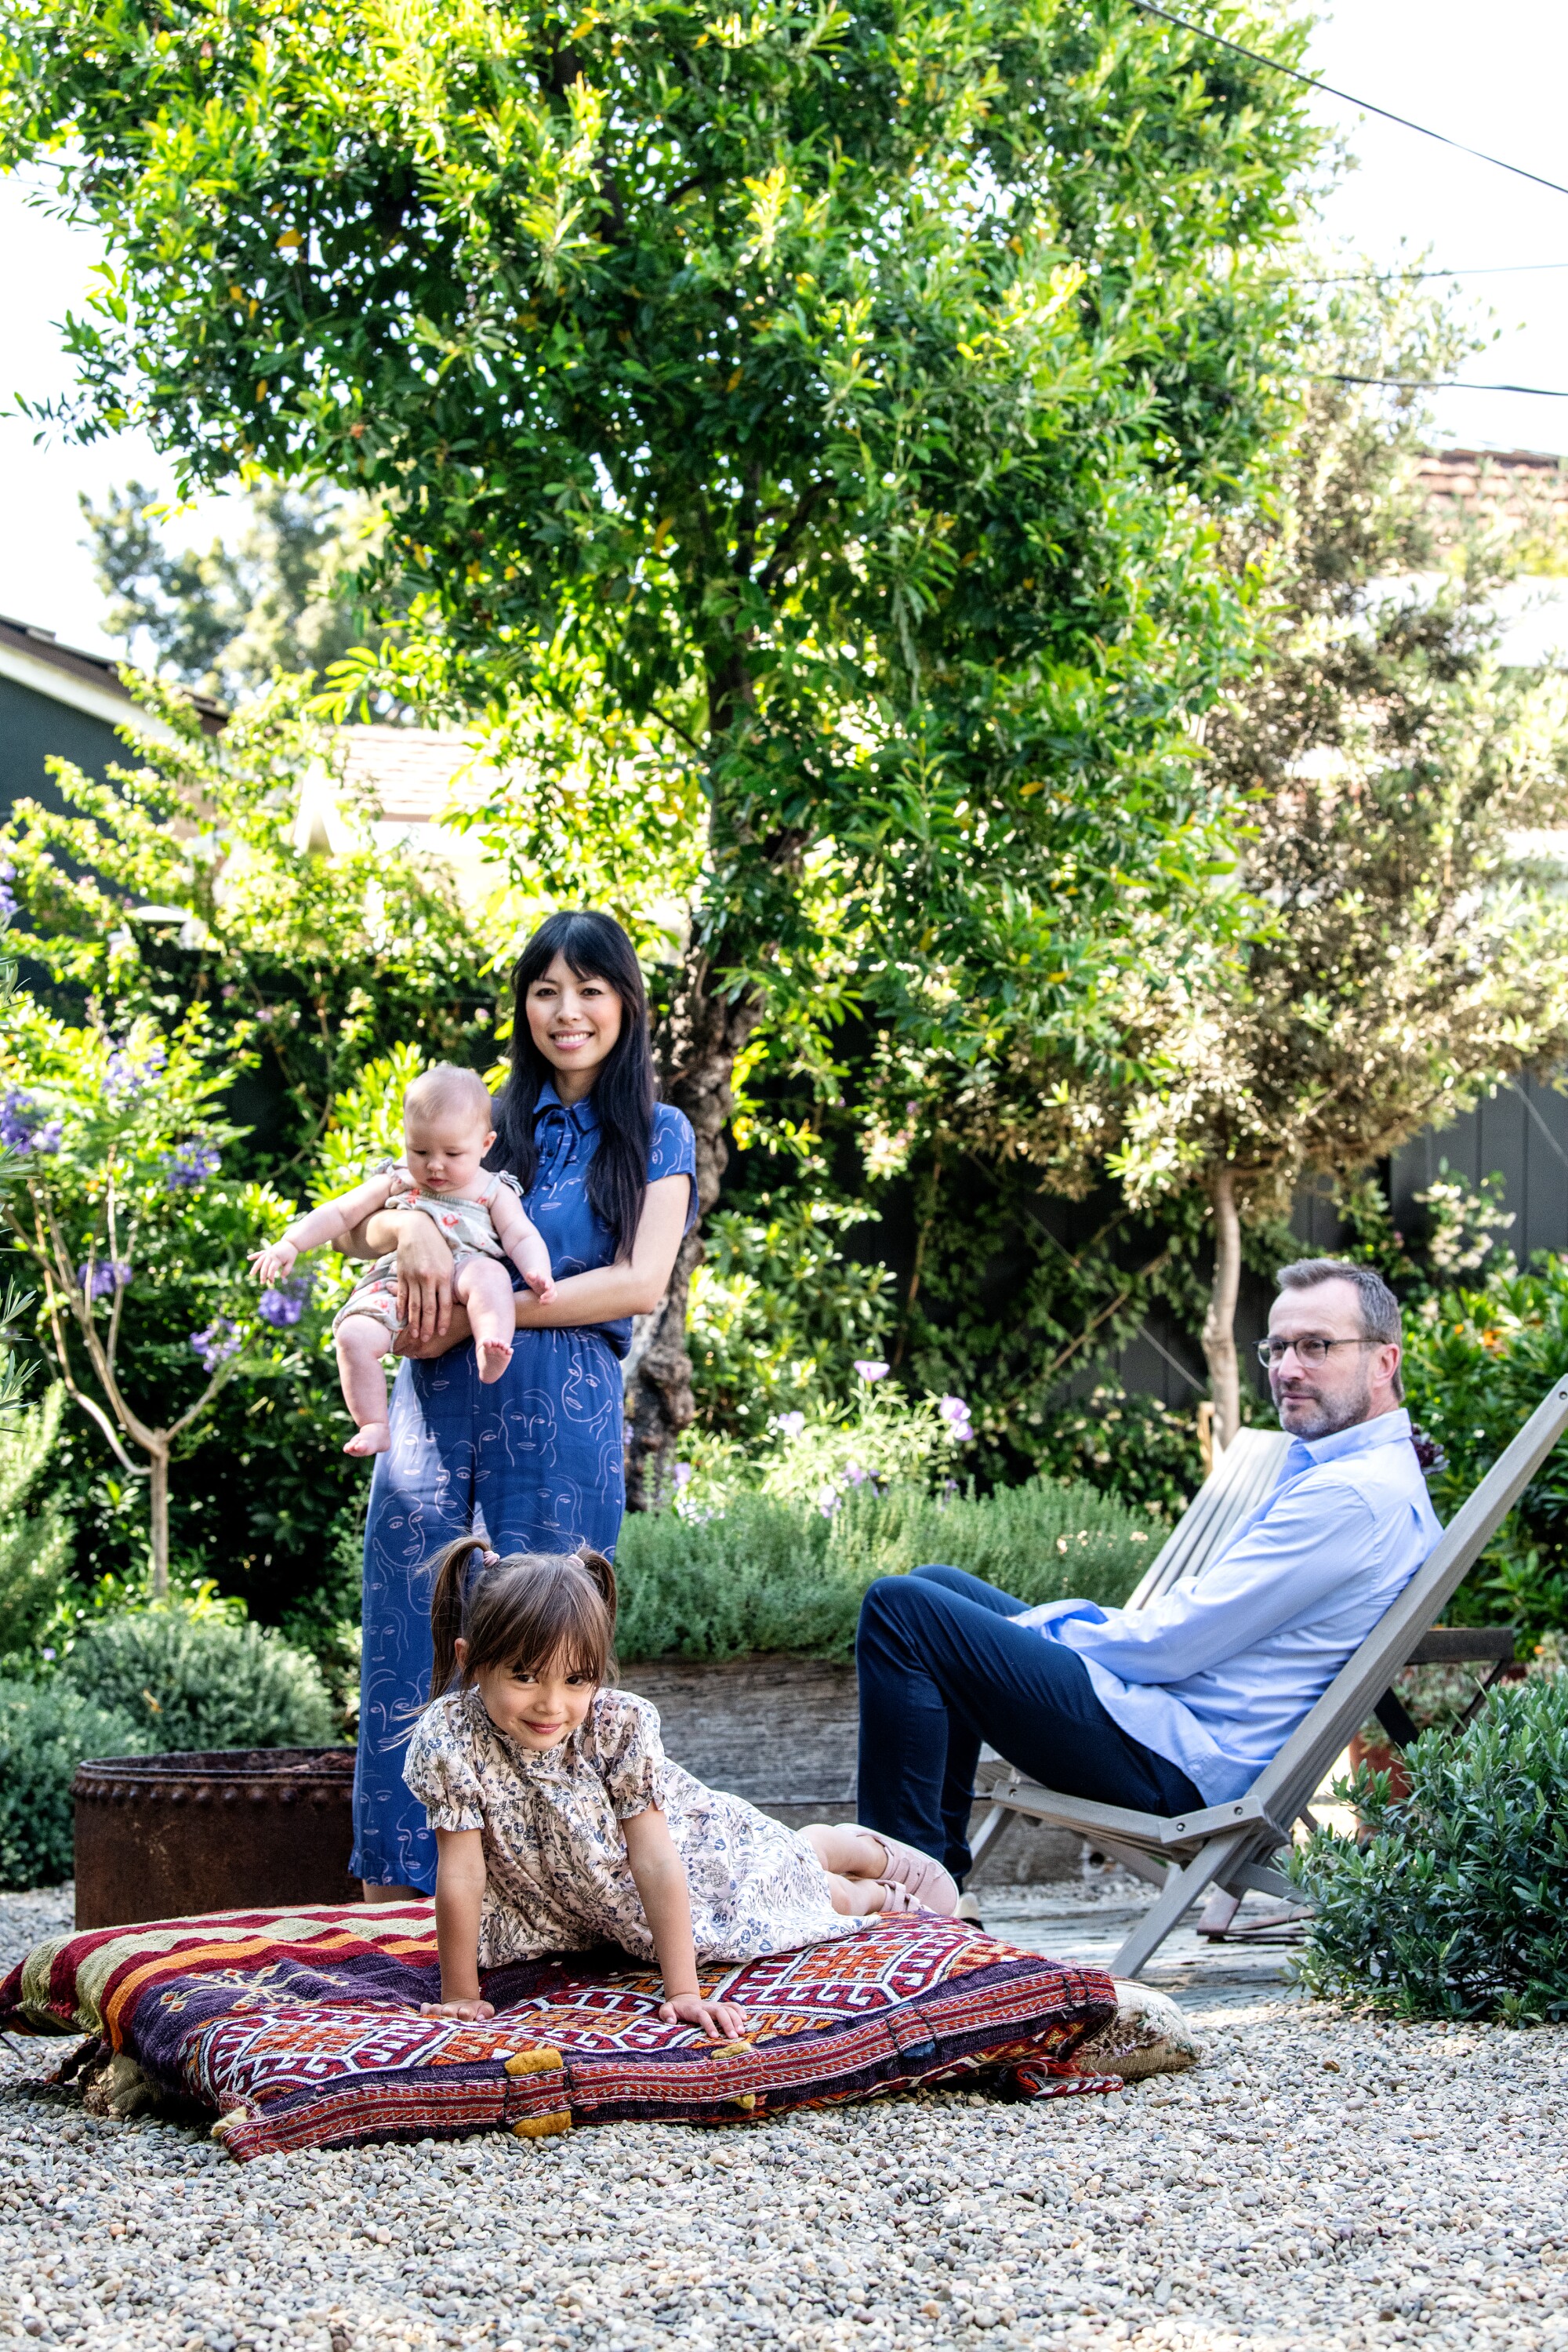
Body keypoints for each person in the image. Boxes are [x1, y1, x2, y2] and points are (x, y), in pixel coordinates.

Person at [854, 1258, 1442, 1889]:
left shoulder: (1348, 1498)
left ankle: (904, 1906)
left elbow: (1172, 1646)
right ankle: (936, 1891)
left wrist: (1044, 1634)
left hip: (1179, 1760)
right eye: (1277, 1348)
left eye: (1317, 1346)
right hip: (1174, 1726)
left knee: (902, 1611)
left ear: (1384, 1361)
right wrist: (1037, 1638)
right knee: (938, 1587)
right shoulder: (1371, 1477)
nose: (1287, 1369)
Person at [347, 909, 697, 1902]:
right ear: (524, 1006)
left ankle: (542, 1896)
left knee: (544, 1647)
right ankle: (397, 1900)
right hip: (431, 1414)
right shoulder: (483, 1116)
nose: (567, 1011)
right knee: (408, 1629)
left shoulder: (657, 1133)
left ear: (625, 1003)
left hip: (561, 1416)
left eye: (589, 989)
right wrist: (410, 1234)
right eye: (545, 990)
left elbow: (638, 1285)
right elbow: (364, 1215)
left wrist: (484, 1313)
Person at [405, 1538, 954, 2035]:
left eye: (577, 1679)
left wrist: (685, 1991)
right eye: (525, 1676)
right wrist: (460, 1996)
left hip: (690, 1852)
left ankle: (869, 1880)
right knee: (764, 1876)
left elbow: (655, 1859)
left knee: (783, 1897)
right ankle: (821, 1847)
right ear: (470, 1663)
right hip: (581, 1900)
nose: (552, 1704)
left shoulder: (615, 1727)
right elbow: (461, 1869)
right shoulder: (452, 1736)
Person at [250, 1062, 557, 1457]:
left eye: (452, 1153)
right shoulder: (397, 1179)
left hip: (462, 1273)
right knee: (352, 1336)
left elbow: (520, 1234)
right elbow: (341, 1214)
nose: (434, 1165)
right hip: (396, 1285)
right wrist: (289, 1244)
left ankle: (490, 1342)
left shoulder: (493, 1190)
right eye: (420, 1150)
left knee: (490, 1275)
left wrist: (537, 1270)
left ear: (485, 1145)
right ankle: (373, 1423)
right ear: (406, 1140)